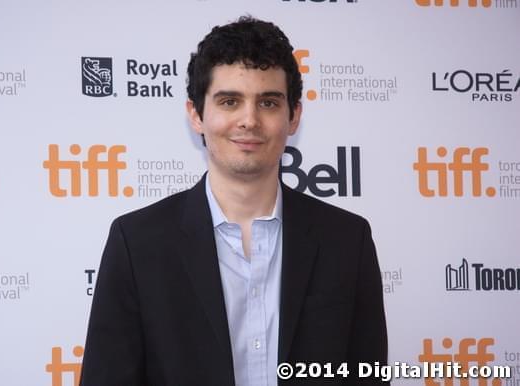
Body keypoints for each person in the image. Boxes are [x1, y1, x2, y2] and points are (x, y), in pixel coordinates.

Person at [80, 16, 388, 386]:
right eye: (229, 101)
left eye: (269, 103)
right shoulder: (137, 242)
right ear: (196, 114)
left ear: (294, 116)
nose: (249, 120)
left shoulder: (347, 240)